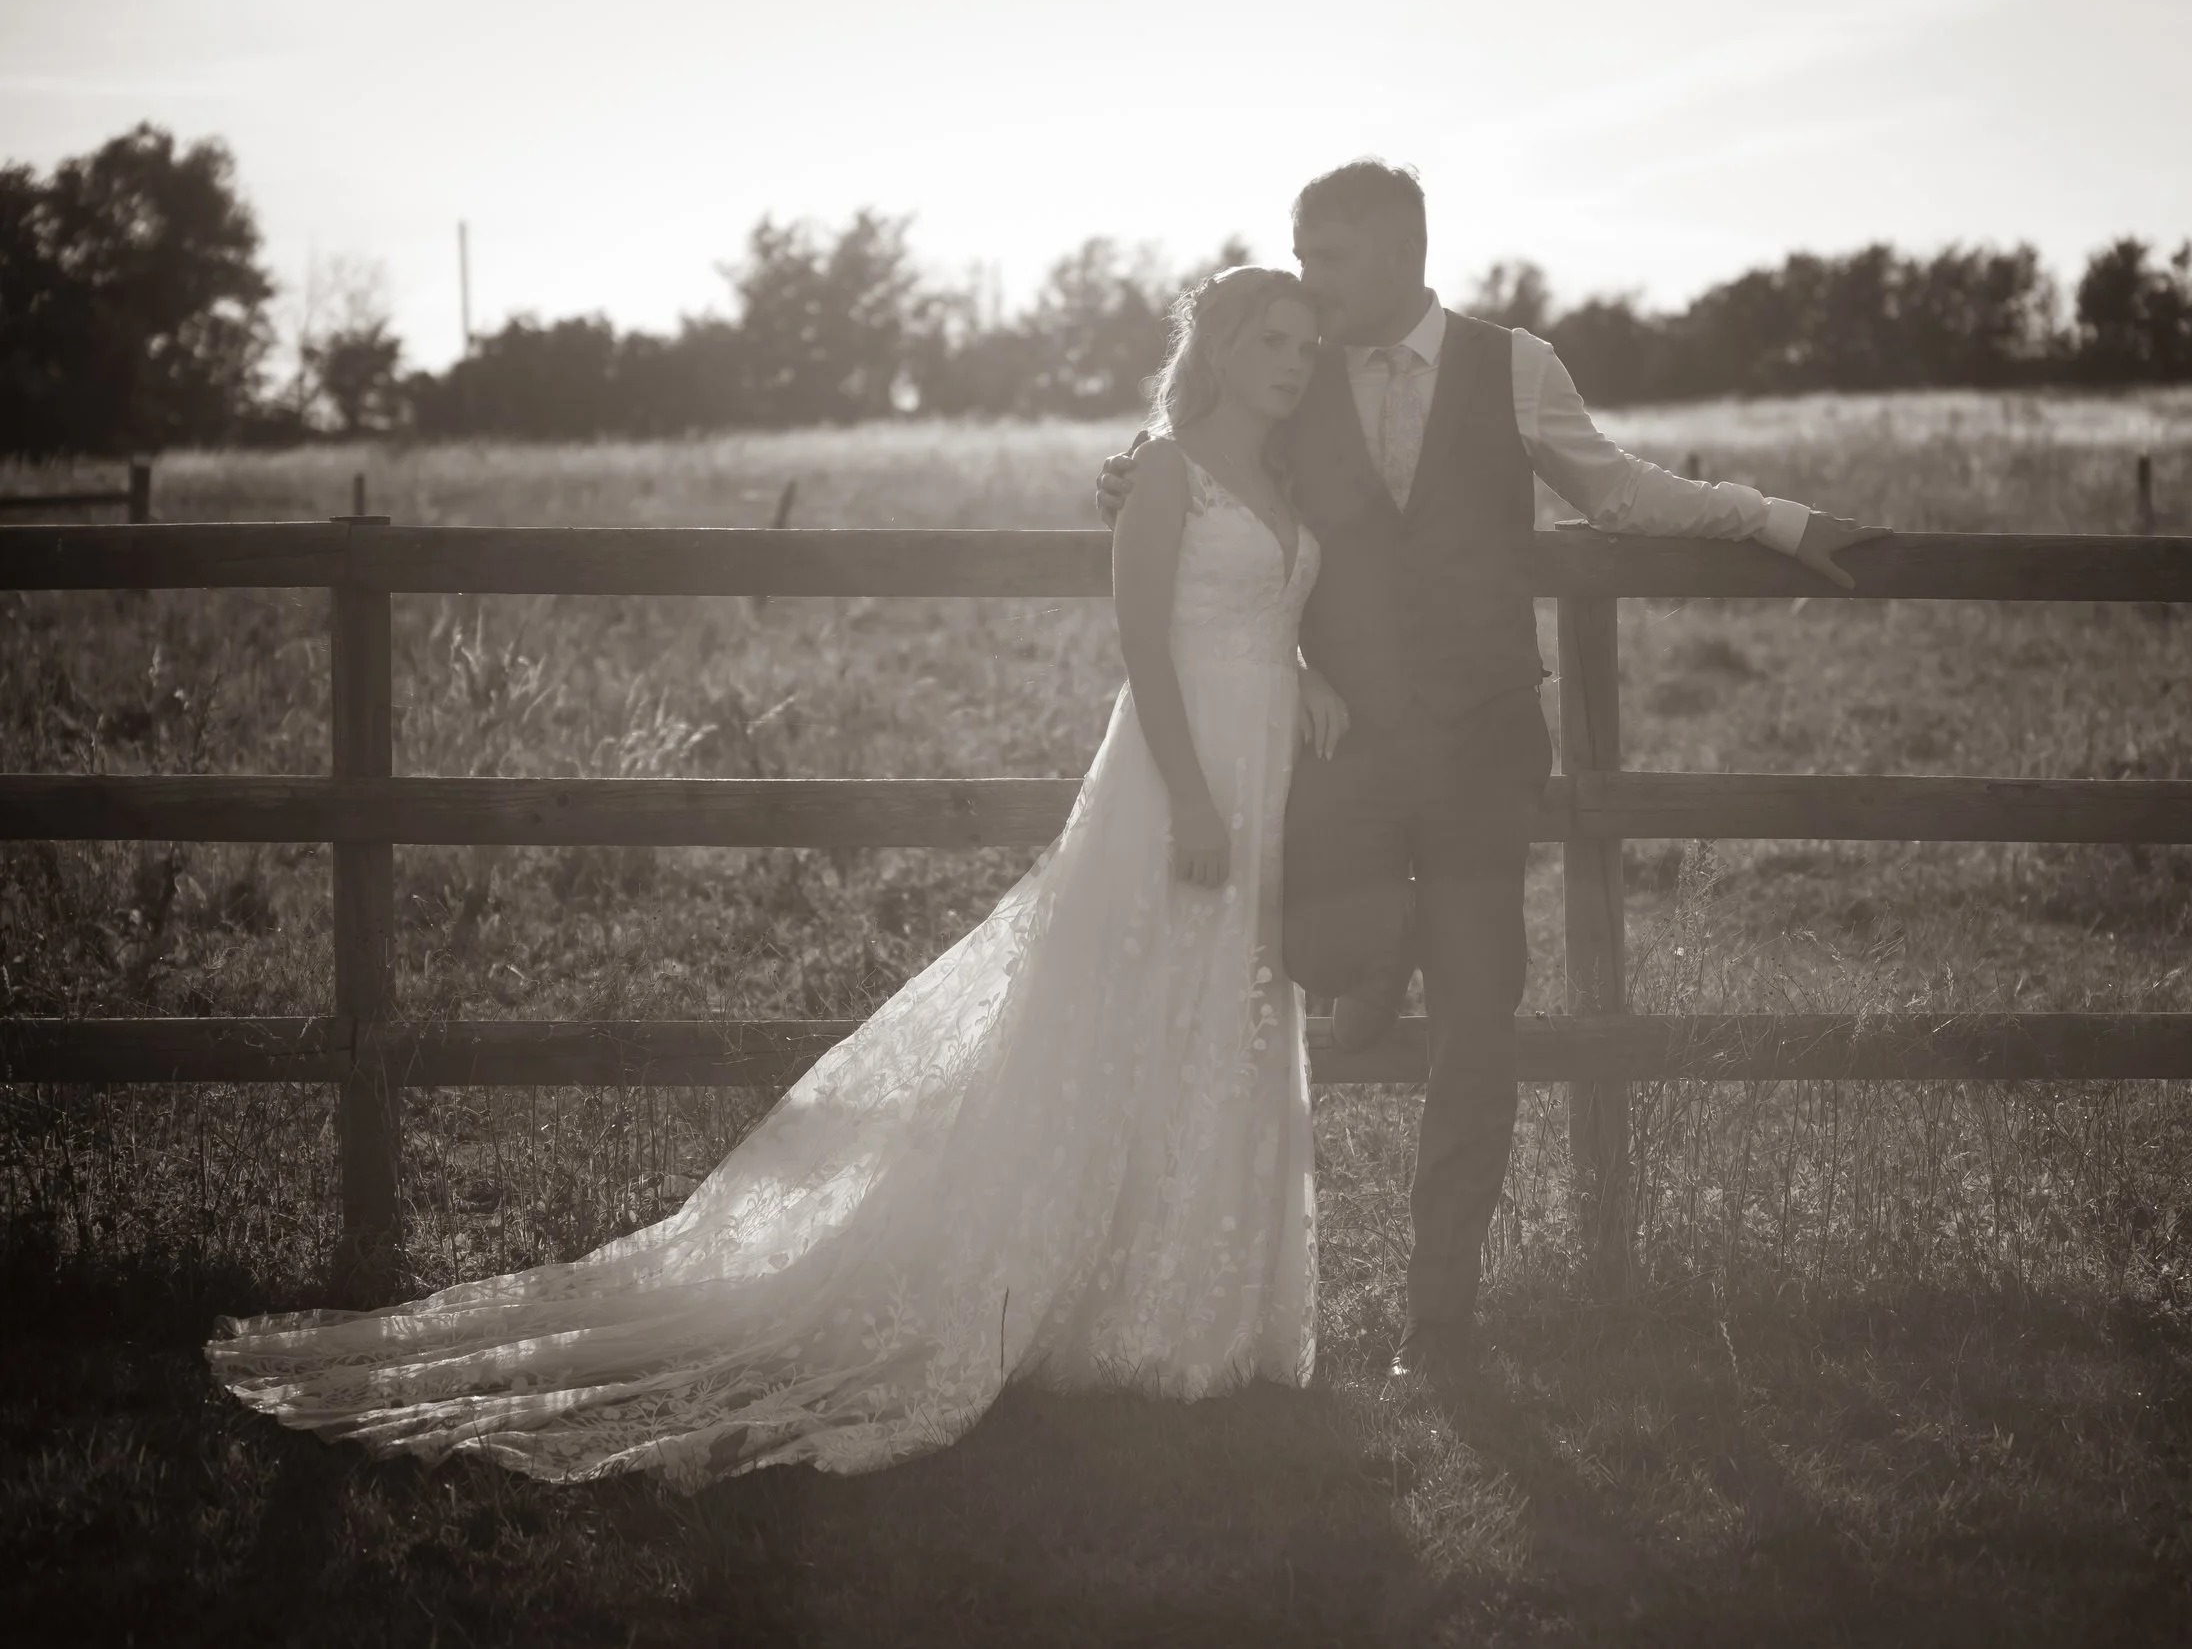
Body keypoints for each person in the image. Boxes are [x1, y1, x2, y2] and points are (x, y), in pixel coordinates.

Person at [206, 267, 1341, 1489]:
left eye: (1307, 343)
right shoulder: (1166, 470)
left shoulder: (1286, 473)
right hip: (1178, 778)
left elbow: (1265, 608)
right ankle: (1072, 1299)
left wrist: (1305, 671)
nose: (1296, 359)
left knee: (1225, 1013)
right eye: (1273, 339)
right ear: (1218, 350)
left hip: (1272, 759)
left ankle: (1193, 1310)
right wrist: (1189, 793)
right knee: (1125, 1013)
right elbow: (1139, 640)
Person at [1094, 160, 1881, 1386]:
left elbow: (1615, 489)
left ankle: (1438, 1321)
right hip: (1347, 757)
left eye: (1328, 256)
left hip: (1477, 752)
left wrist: (1773, 517)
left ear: (1403, 251)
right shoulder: (1299, 372)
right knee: (1309, 949)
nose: (1308, 282)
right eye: (1298, 258)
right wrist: (1129, 469)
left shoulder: (1514, 365)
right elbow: (1205, 451)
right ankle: (1379, 958)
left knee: (1478, 1021)